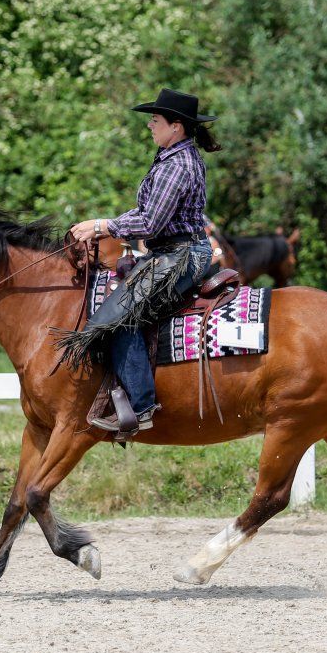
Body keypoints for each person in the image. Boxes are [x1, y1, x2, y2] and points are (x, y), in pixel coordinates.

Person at [58, 88, 222, 433]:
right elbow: (147, 212)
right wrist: (105, 225)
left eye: (155, 120)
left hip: (181, 256)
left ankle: (141, 406)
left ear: (176, 126)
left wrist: (103, 226)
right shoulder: (173, 157)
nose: (149, 125)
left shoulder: (176, 165)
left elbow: (150, 223)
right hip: (174, 252)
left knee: (117, 318)